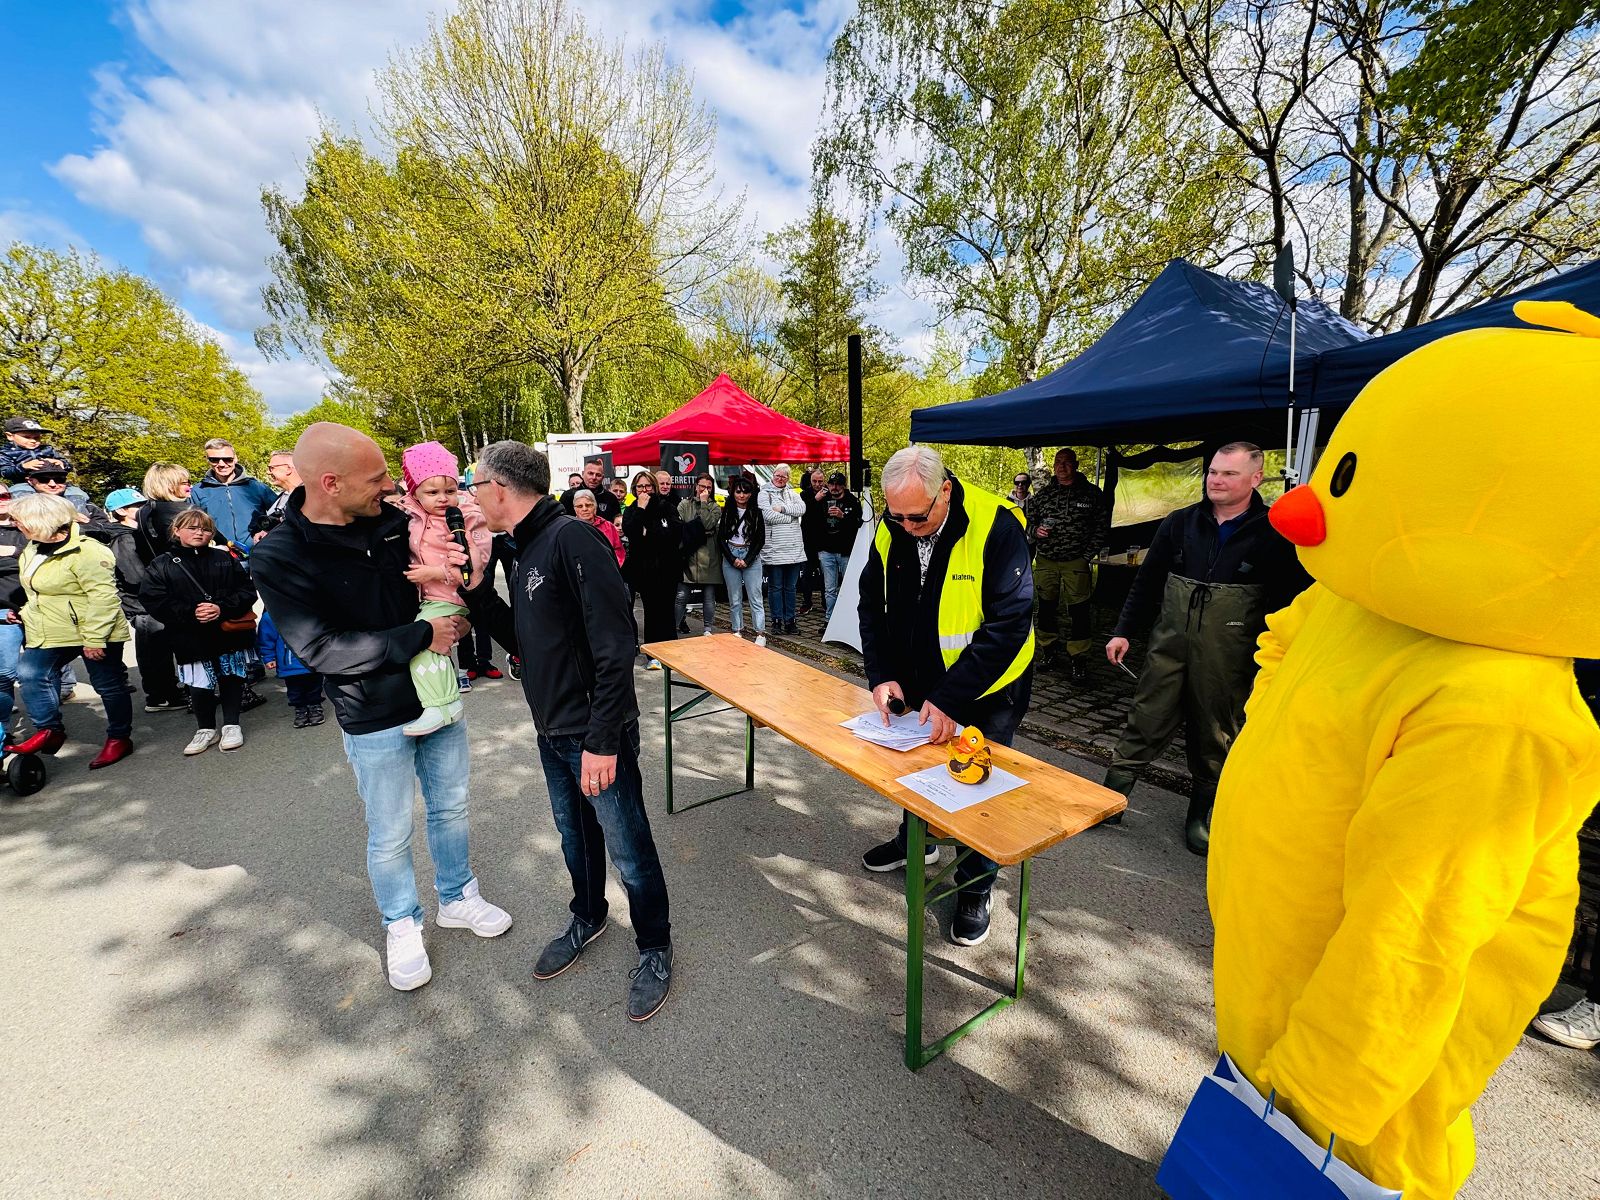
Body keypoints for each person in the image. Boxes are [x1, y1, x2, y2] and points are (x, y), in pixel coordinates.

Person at [1208, 302, 1600, 1199]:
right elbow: (1281, 652)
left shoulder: (1499, 710)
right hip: (1270, 984)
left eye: (1344, 481)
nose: (1297, 511)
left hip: (1350, 1090)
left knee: (1344, 1172)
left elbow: (1411, 940)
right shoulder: (1359, 605)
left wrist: (1312, 1094)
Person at [251, 422, 511, 992]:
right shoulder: (280, 554)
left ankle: (457, 896)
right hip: (372, 710)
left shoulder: (396, 523)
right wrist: (424, 636)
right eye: (377, 479)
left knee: (451, 807)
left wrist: (460, 613)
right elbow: (322, 649)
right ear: (331, 482)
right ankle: (402, 923)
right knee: (390, 831)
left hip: (437, 692)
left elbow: (449, 585)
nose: (391, 486)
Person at [466, 440, 673, 1022]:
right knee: (575, 837)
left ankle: (655, 946)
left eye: (475, 486)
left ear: (499, 488)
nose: (471, 497)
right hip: (552, 729)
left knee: (628, 847)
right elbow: (524, 640)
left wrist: (602, 740)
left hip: (593, 733)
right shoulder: (523, 547)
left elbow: (616, 645)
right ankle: (588, 915)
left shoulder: (572, 538)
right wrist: (474, 589)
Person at [857, 446, 1035, 947]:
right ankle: (917, 843)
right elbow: (871, 605)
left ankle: (976, 885)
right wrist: (882, 674)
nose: (908, 527)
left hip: (987, 687)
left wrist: (952, 697)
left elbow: (1008, 625)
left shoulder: (997, 526)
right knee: (915, 770)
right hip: (920, 682)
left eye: (918, 517)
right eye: (897, 516)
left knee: (976, 788)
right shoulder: (893, 524)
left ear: (946, 492)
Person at [1101, 442, 1311, 855]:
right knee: (1146, 716)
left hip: (1229, 654)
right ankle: (1111, 798)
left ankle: (1200, 816)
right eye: (1213, 471)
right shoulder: (1180, 523)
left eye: (1229, 474)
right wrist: (1123, 630)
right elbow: (1147, 581)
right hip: (1169, 644)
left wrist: (1282, 656)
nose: (1216, 480)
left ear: (1256, 478)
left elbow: (1289, 601)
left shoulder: (1273, 532)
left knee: (1216, 731)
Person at [4, 493, 135, 768]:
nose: (15, 525)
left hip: (96, 628)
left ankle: (119, 738)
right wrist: (24, 611)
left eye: (20, 520)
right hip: (52, 629)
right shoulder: (33, 547)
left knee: (107, 684)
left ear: (41, 521)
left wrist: (95, 639)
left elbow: (104, 598)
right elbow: (38, 591)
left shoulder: (88, 552)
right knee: (30, 674)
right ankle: (50, 729)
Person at [139, 509, 260, 755]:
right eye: (192, 528)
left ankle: (232, 724)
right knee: (198, 682)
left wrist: (221, 608)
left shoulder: (224, 558)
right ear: (177, 530)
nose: (199, 533)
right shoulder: (161, 564)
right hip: (188, 635)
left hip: (227, 631)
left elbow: (247, 591)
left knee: (231, 677)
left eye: (205, 529)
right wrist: (191, 612)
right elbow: (153, 599)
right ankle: (205, 728)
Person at [396, 441, 491, 737]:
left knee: (423, 641)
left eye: (450, 491)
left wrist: (435, 572)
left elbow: (475, 566)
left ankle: (441, 704)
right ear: (414, 492)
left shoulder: (465, 516)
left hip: (451, 596)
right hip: (426, 598)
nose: (443, 499)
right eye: (432, 492)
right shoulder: (408, 515)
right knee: (430, 649)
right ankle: (447, 703)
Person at [89, 488, 186, 714]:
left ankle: (168, 691)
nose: (143, 509)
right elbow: (135, 576)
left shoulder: (138, 532)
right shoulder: (123, 538)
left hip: (151, 601)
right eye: (137, 506)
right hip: (141, 603)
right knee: (153, 650)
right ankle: (160, 696)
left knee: (161, 648)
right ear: (121, 511)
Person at [1023, 448, 1109, 682]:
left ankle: (1079, 658)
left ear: (1076, 465)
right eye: (1058, 462)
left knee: (1079, 610)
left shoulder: (1091, 494)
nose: (1061, 467)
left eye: (1067, 462)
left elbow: (1102, 527)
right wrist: (1035, 531)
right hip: (1047, 560)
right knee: (1046, 607)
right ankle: (1049, 651)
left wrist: (1087, 555)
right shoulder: (1044, 495)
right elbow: (1026, 521)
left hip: (1076, 561)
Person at [621, 470, 680, 669]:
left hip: (668, 568)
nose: (645, 490)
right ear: (634, 489)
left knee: (667, 611)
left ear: (654, 487)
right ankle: (653, 654)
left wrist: (649, 533)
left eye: (648, 486)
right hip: (645, 571)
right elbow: (632, 532)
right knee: (652, 612)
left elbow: (674, 534)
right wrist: (641, 510)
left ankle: (671, 650)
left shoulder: (667, 507)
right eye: (640, 487)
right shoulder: (632, 510)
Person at [190, 438, 276, 556]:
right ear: (208, 460)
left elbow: (280, 516)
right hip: (218, 555)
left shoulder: (257, 487)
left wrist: (266, 531)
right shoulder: (198, 491)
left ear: (235, 458)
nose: (221, 464)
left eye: (227, 459)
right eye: (214, 460)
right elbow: (191, 526)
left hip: (258, 554)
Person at [758, 464, 807, 635]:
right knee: (775, 587)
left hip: (793, 550)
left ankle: (790, 621)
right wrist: (791, 518)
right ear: (772, 475)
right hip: (774, 550)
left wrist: (783, 509)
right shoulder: (764, 494)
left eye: (783, 476)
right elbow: (768, 516)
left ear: (788, 478)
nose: (780, 479)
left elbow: (802, 509)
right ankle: (776, 621)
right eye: (777, 475)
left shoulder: (793, 494)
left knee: (790, 588)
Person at [257, 607, 325, 728]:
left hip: (312, 659)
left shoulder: (309, 608)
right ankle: (300, 709)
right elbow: (266, 639)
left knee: (314, 686)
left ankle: (315, 707)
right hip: (288, 663)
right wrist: (269, 657)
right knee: (294, 689)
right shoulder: (272, 615)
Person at [719, 475, 766, 646]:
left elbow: (760, 539)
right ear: (733, 493)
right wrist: (732, 559)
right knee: (735, 597)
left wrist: (747, 559)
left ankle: (760, 633)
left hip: (750, 554)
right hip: (731, 552)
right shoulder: (727, 511)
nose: (741, 495)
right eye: (738, 492)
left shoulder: (756, 513)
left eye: (745, 492)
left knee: (755, 596)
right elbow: (720, 538)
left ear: (751, 494)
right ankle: (737, 629)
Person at [676, 473, 721, 636]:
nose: (705, 490)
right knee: (681, 596)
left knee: (709, 597)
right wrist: (700, 530)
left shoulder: (715, 507)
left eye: (709, 487)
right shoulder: (684, 504)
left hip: (709, 557)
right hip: (688, 555)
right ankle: (674, 626)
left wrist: (703, 503)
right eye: (702, 486)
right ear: (696, 486)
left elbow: (708, 524)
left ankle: (707, 629)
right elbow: (681, 528)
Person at [815, 472, 862, 620]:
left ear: (844, 485)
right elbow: (811, 521)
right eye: (832, 484)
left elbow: (859, 524)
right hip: (826, 551)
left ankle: (849, 618)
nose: (834, 487)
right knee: (830, 589)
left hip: (845, 551)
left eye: (838, 484)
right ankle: (829, 619)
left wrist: (843, 516)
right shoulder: (822, 499)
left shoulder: (852, 501)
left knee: (849, 587)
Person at [0, 484, 26, 736]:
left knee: (41, 673)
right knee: (5, 673)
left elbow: (43, 553)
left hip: (38, 607)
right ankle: (3, 730)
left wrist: (14, 551)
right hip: (3, 612)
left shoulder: (27, 524)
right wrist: (20, 557)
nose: (1, 499)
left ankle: (50, 726)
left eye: (4, 495)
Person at [135, 462, 194, 561]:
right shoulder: (189, 510)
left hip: (156, 567)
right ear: (171, 486)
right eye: (186, 483)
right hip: (187, 567)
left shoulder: (142, 511)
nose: (190, 486)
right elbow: (217, 539)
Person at [18, 458, 105, 520]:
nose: (52, 484)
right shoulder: (15, 504)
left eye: (59, 479)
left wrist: (86, 525)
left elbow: (105, 526)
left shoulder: (85, 504)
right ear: (30, 481)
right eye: (43, 479)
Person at [0, 417, 71, 484]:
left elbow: (68, 466)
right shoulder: (6, 453)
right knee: (21, 492)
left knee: (74, 492)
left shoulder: (47, 449)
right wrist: (23, 467)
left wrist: (62, 463)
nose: (33, 441)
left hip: (56, 482)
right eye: (27, 437)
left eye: (37, 437)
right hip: (25, 484)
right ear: (10, 436)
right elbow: (5, 473)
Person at [798, 467, 828, 615]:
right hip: (808, 540)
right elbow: (803, 511)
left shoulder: (829, 494)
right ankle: (807, 602)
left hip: (824, 540)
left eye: (820, 481)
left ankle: (826, 602)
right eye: (814, 481)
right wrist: (815, 500)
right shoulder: (804, 494)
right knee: (807, 573)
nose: (817, 484)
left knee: (825, 574)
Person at [250, 449, 299, 541]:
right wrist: (264, 532)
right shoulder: (283, 496)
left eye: (271, 468)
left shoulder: (308, 497)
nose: (268, 472)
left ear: (288, 469)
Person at [560, 456, 622, 523]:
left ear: (603, 477)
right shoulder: (568, 496)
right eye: (590, 473)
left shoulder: (611, 499)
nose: (594, 477)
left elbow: (617, 523)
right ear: (583, 474)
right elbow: (560, 521)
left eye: (598, 475)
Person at [572, 488, 624, 567]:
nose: (584, 509)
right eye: (580, 506)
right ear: (575, 509)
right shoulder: (570, 529)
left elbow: (619, 551)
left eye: (588, 505)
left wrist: (613, 567)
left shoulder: (608, 526)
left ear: (595, 507)